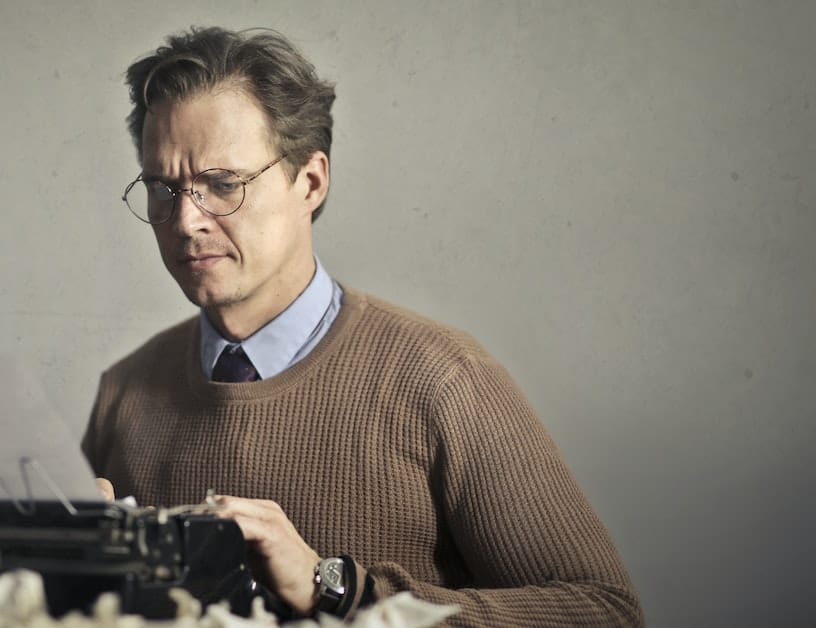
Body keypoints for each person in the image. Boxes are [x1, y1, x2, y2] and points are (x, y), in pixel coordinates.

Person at [82, 26, 642, 626]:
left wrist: (338, 588)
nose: (186, 219)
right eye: (164, 188)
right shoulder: (125, 390)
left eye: (223, 184)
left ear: (311, 182)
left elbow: (604, 611)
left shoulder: (443, 379)